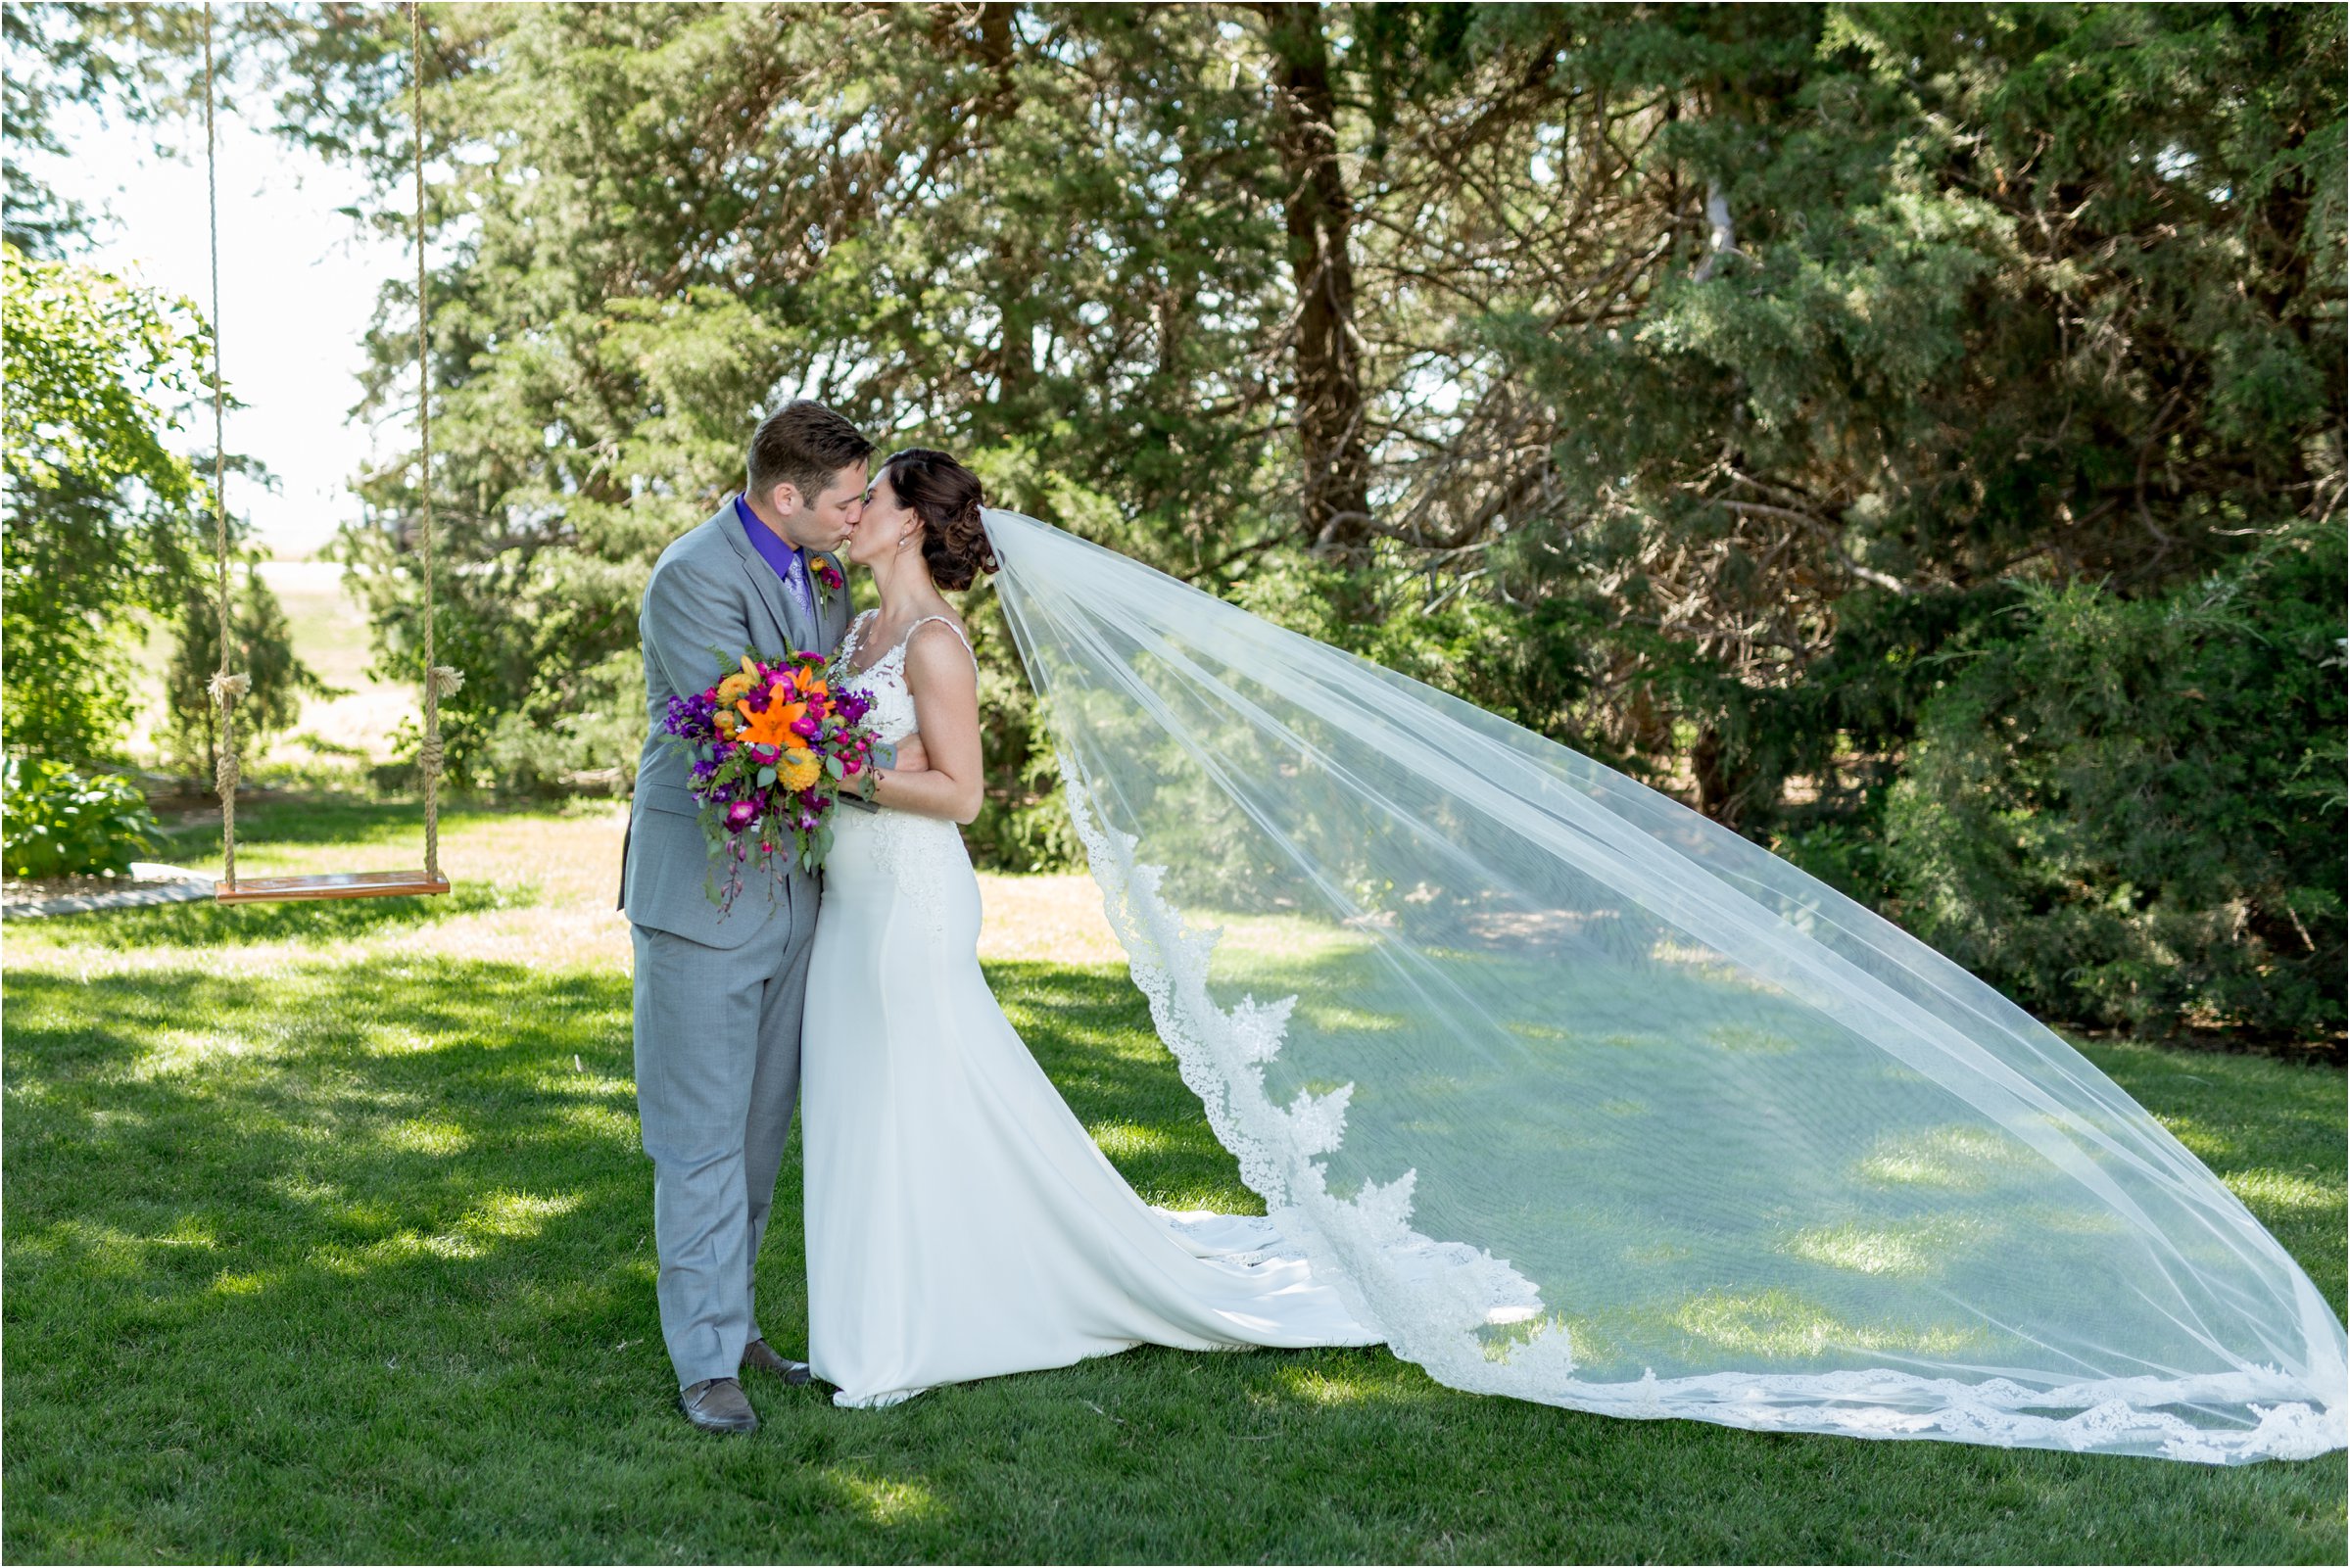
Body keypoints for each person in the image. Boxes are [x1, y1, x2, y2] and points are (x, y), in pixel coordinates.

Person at [798, 449, 1381, 1408]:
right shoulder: (859, 628)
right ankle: (881, 1308)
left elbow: (961, 793)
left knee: (907, 1094)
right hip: (848, 899)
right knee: (864, 1097)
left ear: (907, 522)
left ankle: (906, 1326)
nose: (851, 511)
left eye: (872, 498)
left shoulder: (936, 642)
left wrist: (842, 772)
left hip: (911, 899)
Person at [620, 400, 866, 1434]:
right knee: (699, 1138)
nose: (859, 515)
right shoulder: (691, 576)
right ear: (785, 497)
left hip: (795, 890)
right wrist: (898, 762)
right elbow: (757, 720)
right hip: (703, 893)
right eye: (848, 499)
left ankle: (735, 1321)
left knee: (759, 1131)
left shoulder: (821, 568)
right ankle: (703, 1363)